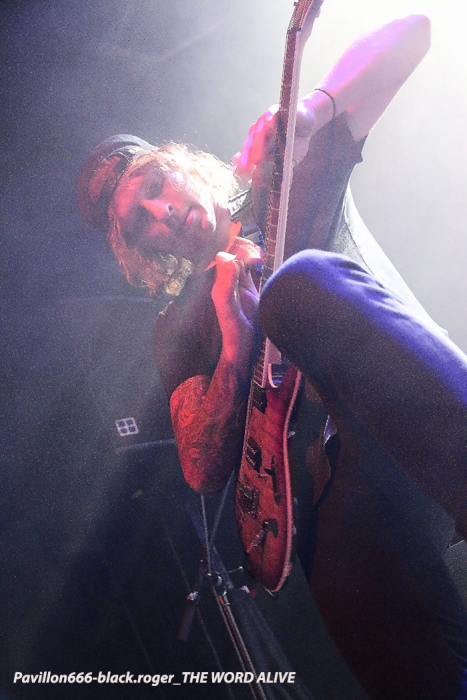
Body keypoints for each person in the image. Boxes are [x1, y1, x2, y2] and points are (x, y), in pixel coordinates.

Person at [78, 12, 467, 699]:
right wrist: (232, 339)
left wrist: (312, 112)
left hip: (410, 408)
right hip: (336, 493)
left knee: (295, 287)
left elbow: (414, 32)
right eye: (140, 219)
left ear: (182, 167)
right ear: (141, 249)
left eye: (158, 184)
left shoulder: (279, 179)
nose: (163, 210)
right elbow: (201, 467)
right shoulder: (178, 326)